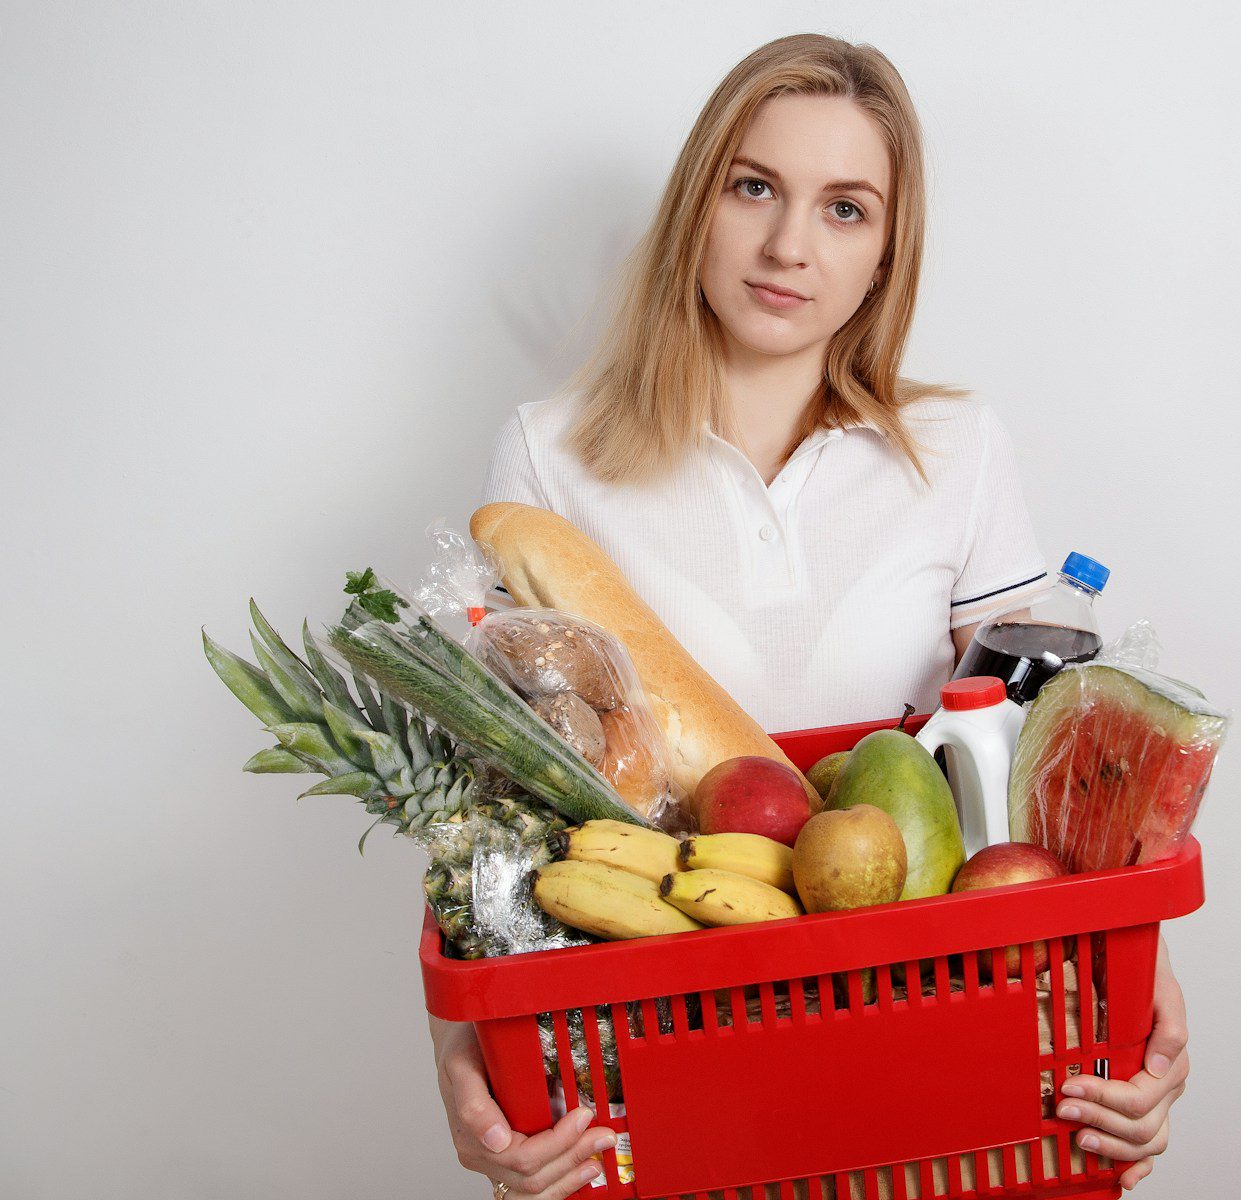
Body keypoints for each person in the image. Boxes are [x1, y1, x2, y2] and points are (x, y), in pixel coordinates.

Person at [431, 33, 1190, 1199]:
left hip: (933, 1043)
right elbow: (490, 810)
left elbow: (1041, 783)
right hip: (663, 1065)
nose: (789, 246)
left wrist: (1148, 999)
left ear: (888, 253)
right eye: (755, 189)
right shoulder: (551, 457)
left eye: (846, 209)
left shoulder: (956, 450)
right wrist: (465, 1066)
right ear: (698, 206)